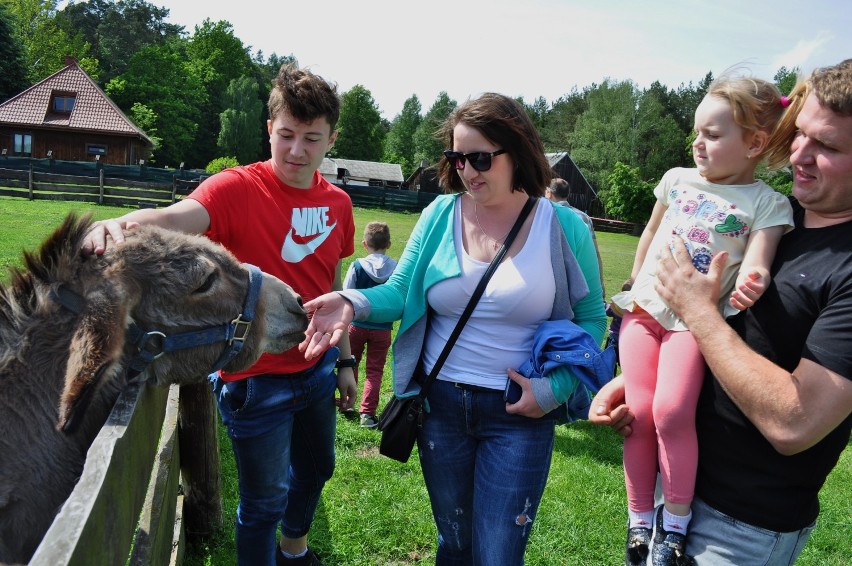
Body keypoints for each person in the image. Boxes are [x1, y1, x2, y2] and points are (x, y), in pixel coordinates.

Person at [300, 92, 607, 565]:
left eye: (481, 157)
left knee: (499, 554)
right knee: (455, 544)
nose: (467, 170)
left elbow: (589, 320)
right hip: (440, 406)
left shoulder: (564, 226)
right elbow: (401, 291)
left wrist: (554, 390)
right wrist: (351, 299)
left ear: (517, 151)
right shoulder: (439, 214)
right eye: (458, 157)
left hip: (520, 412)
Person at [82, 63, 358, 566]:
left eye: (312, 139)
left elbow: (333, 285)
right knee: (263, 501)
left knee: (316, 471)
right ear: (269, 129)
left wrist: (343, 362)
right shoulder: (235, 188)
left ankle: (294, 552)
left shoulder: (338, 203)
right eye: (287, 135)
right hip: (255, 380)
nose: (297, 151)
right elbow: (173, 217)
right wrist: (119, 220)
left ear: (331, 139)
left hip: (316, 368)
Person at [591, 58, 852, 566]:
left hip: (742, 528)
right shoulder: (774, 212)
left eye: (829, 146)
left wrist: (697, 310)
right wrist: (639, 384)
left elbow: (795, 423)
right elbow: (739, 340)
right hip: (673, 487)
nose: (799, 153)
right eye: (799, 134)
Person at [610, 74, 796, 566]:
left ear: (755, 143)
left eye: (712, 135)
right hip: (645, 312)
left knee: (671, 412)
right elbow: (649, 231)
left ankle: (674, 524)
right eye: (696, 132)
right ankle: (638, 521)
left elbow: (759, 257)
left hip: (696, 322)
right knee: (640, 413)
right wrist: (635, 283)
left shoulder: (767, 203)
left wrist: (753, 279)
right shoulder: (675, 180)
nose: (697, 142)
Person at [342, 221, 398, 428]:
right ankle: (368, 414)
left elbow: (347, 293)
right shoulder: (397, 268)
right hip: (382, 328)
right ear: (389, 244)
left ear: (364, 244)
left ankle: (347, 404)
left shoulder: (357, 266)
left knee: (351, 364)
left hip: (356, 325)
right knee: (375, 371)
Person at [546, 177, 605, 295]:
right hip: (580, 281)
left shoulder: (545, 216)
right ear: (567, 194)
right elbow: (595, 253)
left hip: (552, 282)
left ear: (549, 193)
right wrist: (600, 283)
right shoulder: (584, 217)